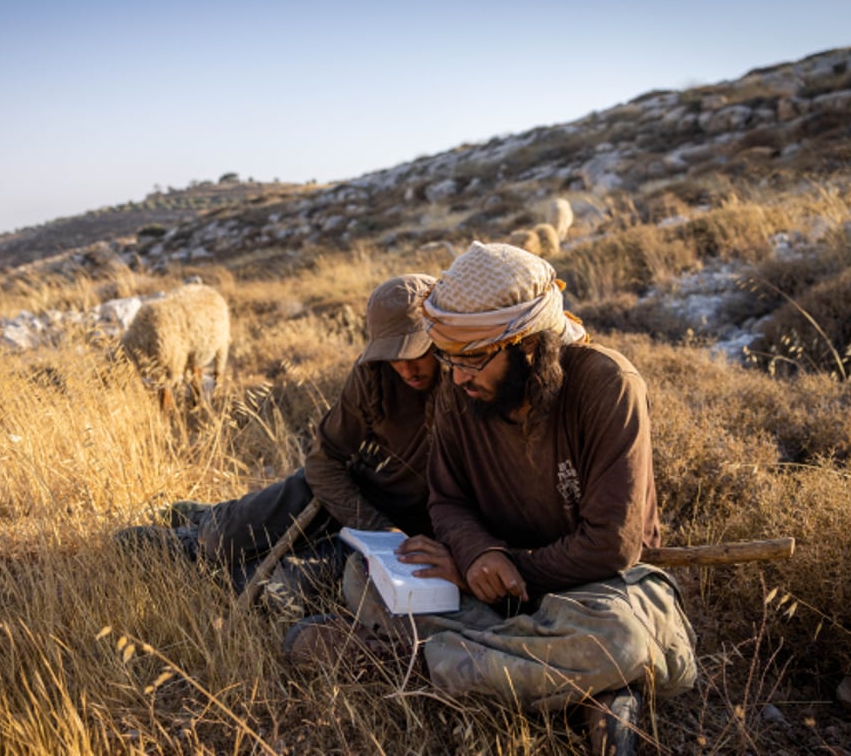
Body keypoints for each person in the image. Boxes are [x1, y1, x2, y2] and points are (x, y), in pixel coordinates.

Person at [286, 243, 696, 756]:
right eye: (449, 359)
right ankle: (588, 690)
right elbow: (447, 501)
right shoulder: (461, 390)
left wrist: (501, 569)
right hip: (491, 580)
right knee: (364, 577)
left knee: (619, 637)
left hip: (598, 588)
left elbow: (611, 546)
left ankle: (409, 663)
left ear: (529, 345)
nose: (457, 377)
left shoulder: (607, 385)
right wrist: (475, 553)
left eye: (474, 359)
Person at [116, 273, 442, 608]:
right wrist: (372, 525)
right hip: (350, 497)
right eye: (393, 354)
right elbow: (324, 460)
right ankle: (198, 525)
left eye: (416, 352)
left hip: (404, 533)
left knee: (282, 592)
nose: (406, 368)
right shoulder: (373, 374)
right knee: (220, 537)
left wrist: (393, 537)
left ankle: (209, 568)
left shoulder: (464, 382)